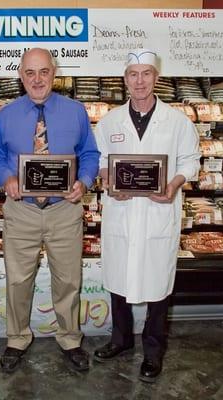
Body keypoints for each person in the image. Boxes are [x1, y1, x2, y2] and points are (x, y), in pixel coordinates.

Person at [0, 48, 100, 373]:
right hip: (21, 209)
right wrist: (6, 178)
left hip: (64, 209)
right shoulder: (6, 114)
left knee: (67, 279)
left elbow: (90, 153)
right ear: (21, 76)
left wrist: (84, 180)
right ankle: (17, 338)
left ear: (54, 72)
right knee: (18, 280)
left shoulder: (76, 111)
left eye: (44, 72)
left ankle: (69, 338)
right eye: (30, 73)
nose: (37, 79)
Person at [93, 49, 200, 382]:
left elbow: (191, 161)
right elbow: (99, 161)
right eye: (133, 74)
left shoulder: (178, 121)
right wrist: (108, 181)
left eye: (146, 74)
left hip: (158, 212)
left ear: (156, 78)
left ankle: (153, 351)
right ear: (125, 79)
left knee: (158, 285)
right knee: (119, 280)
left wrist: (175, 183)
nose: (139, 81)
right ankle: (121, 340)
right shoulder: (110, 121)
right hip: (122, 213)